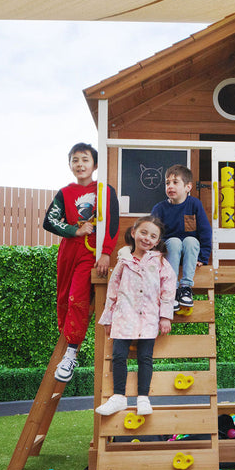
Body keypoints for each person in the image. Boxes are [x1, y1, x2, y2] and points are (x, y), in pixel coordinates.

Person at [43, 142, 119, 383]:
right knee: (64, 299)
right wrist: (74, 230)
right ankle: (67, 347)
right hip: (68, 253)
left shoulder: (105, 190)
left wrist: (106, 252)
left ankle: (71, 353)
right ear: (70, 165)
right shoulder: (64, 192)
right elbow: (49, 221)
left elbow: (113, 222)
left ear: (95, 165)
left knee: (77, 297)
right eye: (75, 160)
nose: (80, 164)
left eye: (85, 160)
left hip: (91, 254)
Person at [95, 215, 176, 416]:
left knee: (145, 358)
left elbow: (168, 287)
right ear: (134, 233)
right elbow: (112, 290)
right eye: (143, 233)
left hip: (148, 318)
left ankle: (143, 398)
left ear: (157, 241)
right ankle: (119, 397)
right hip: (123, 316)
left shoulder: (159, 262)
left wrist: (165, 316)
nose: (147, 238)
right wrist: (108, 319)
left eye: (153, 236)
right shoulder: (123, 261)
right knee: (119, 356)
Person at [151, 164, 211, 310]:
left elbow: (205, 231)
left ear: (188, 187)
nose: (170, 186)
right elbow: (152, 233)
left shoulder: (195, 204)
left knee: (190, 240)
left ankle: (185, 288)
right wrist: (153, 256)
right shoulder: (159, 208)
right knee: (175, 241)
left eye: (175, 182)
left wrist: (203, 257)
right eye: (167, 183)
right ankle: (172, 288)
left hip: (190, 255)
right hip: (169, 253)